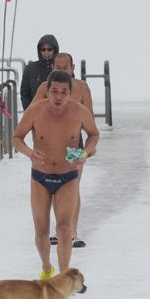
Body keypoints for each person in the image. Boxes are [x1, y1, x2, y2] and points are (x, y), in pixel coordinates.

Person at [13, 70, 100, 279]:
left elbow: (94, 134)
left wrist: (85, 152)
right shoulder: (35, 111)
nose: (59, 96)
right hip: (40, 176)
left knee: (64, 229)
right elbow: (17, 137)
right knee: (41, 230)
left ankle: (63, 276)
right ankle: (46, 268)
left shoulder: (79, 112)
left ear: (70, 93)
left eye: (64, 92)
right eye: (54, 91)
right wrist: (30, 153)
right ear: (47, 91)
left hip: (68, 175)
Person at [32, 53, 94, 248]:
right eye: (57, 67)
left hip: (74, 145)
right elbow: (32, 115)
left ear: (73, 67)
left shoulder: (82, 87)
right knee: (51, 188)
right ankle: (59, 230)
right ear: (52, 67)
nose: (61, 70)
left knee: (72, 186)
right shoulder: (45, 88)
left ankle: (71, 232)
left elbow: (89, 118)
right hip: (49, 145)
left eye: (65, 67)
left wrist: (89, 148)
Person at [20, 34, 59, 110]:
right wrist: (29, 112)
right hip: (37, 113)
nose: (46, 52)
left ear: (55, 50)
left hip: (60, 113)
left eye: (49, 49)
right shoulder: (30, 69)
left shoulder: (62, 68)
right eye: (43, 50)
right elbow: (25, 94)